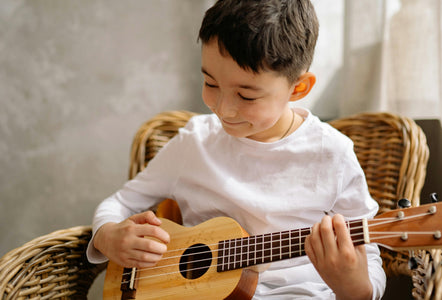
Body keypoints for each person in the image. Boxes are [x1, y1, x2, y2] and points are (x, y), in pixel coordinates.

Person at [87, 0, 386, 299]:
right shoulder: (194, 143)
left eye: (246, 95)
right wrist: (108, 236)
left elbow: (370, 251)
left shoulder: (332, 154)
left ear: (298, 88)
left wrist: (355, 288)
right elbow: (120, 203)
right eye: (210, 83)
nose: (224, 109)